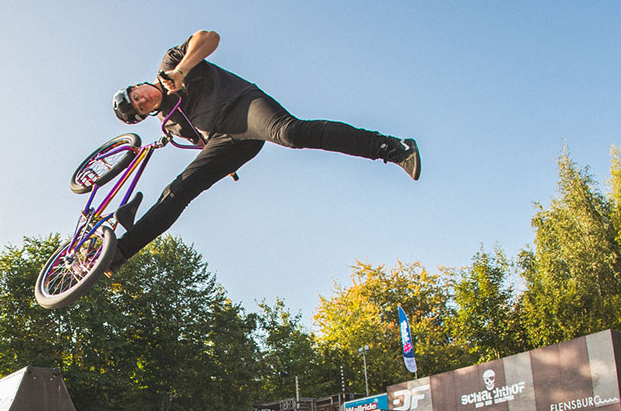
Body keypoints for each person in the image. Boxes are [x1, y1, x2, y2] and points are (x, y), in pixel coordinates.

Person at [106, 30, 420, 273]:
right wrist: (222, 164)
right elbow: (201, 141)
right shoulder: (169, 122)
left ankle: (392, 148)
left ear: (138, 85)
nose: (143, 100)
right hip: (226, 140)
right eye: (140, 107)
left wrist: (183, 70)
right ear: (146, 114)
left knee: (290, 133)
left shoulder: (170, 64)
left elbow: (209, 37)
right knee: (180, 189)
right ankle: (117, 254)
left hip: (244, 105)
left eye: (137, 96)